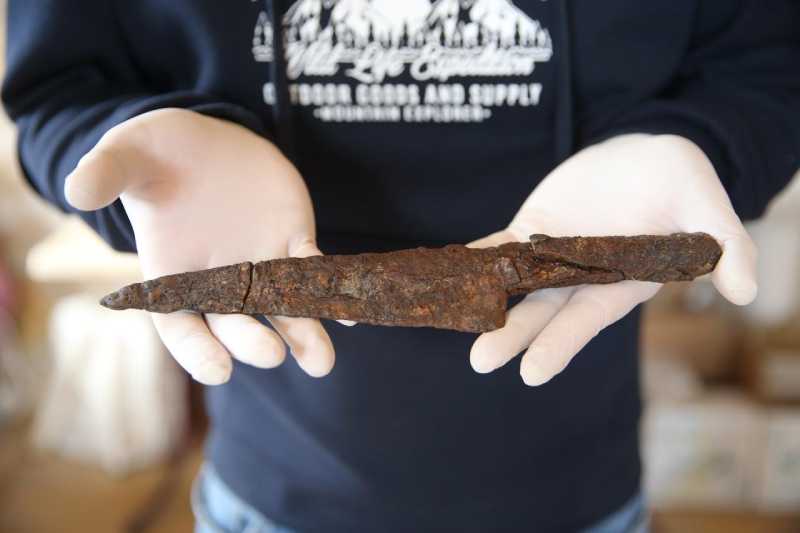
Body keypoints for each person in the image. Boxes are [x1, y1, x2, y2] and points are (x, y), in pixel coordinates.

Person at [4, 1, 799, 531]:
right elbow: (61, 84)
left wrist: (700, 144)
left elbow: (768, 68)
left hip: (578, 488)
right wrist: (139, 149)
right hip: (273, 486)